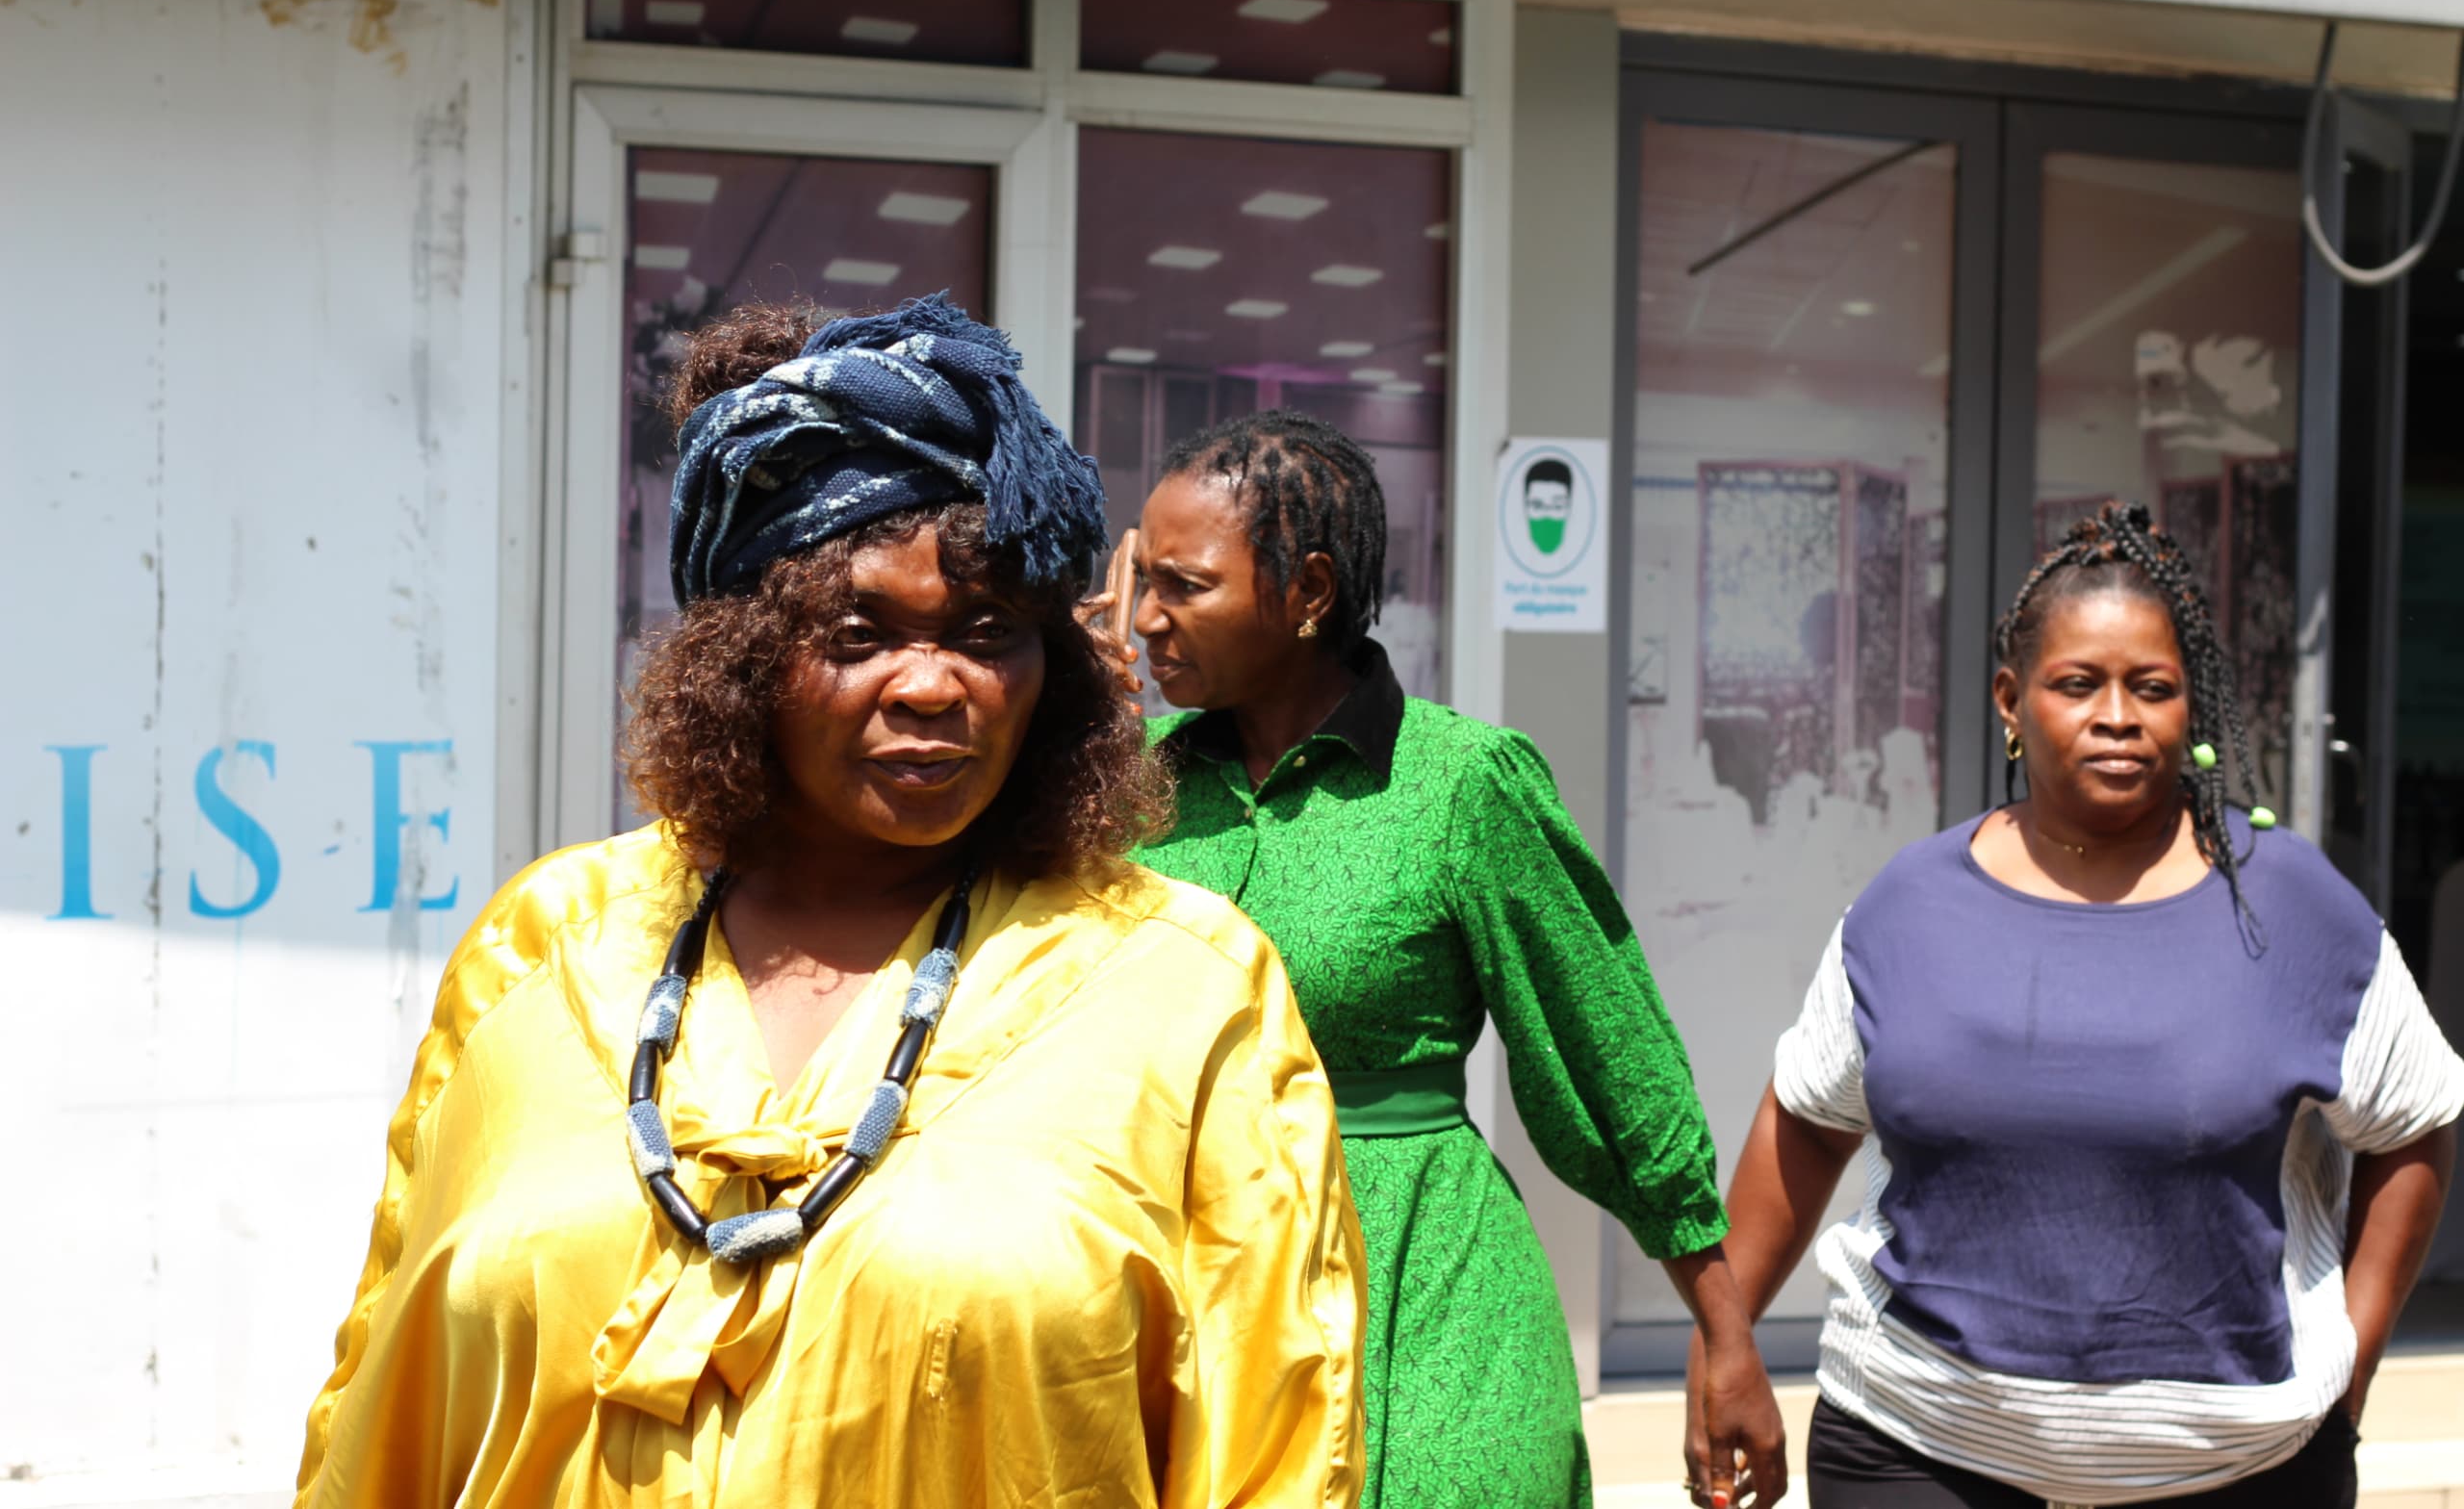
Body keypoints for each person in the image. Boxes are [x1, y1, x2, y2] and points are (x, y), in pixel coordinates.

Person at [294, 299, 1367, 1509]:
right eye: (858, 634)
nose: (929, 684)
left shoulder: (1182, 986)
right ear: (742, 656)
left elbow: (1277, 1444)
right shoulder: (547, 944)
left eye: (985, 633)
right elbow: (385, 1398)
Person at [1697, 500, 2464, 1508]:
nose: (2116, 714)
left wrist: (2347, 1373)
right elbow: (1802, 1116)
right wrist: (1725, 1342)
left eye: (2152, 686)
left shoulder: (2288, 903)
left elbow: (2415, 1122)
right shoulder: (1908, 902)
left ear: (2189, 707)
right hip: (1915, 1442)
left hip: (2231, 1469)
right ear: (2011, 700)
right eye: (2077, 683)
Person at [1101, 412, 1785, 1509]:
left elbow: (1608, 1051)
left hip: (1420, 1294)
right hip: (1177, 1277)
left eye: (1184, 584)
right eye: (1142, 581)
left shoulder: (1463, 784)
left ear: (1308, 590)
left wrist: (1721, 1328)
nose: (1145, 617)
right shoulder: (1127, 785)